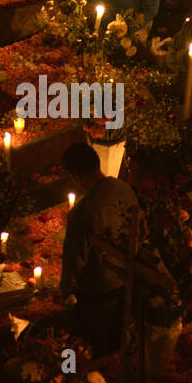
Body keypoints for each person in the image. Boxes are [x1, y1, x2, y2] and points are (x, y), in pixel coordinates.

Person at [60, 142, 143, 355]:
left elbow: (75, 258)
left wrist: (67, 291)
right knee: (116, 344)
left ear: (77, 176)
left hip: (99, 289)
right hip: (128, 279)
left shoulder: (84, 211)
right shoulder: (123, 188)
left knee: (89, 346)